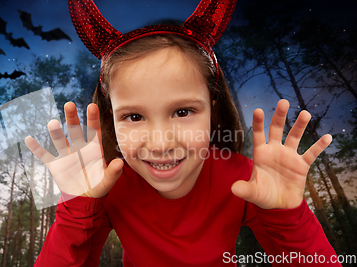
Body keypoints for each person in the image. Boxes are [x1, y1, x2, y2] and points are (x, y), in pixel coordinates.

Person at [25, 0, 340, 265]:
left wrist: (288, 217)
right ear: (112, 120)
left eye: (183, 112)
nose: (161, 143)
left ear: (212, 108)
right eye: (134, 116)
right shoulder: (106, 187)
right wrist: (76, 211)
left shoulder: (245, 179)